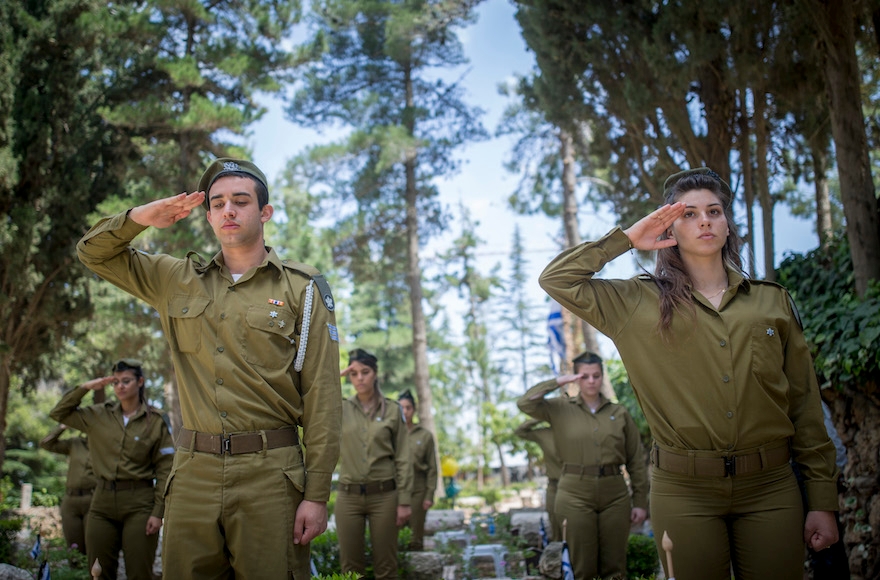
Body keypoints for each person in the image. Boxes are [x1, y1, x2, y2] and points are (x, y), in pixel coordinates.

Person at [538, 167, 840, 580]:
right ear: (669, 227)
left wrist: (821, 500)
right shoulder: (634, 303)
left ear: (727, 224)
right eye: (688, 214)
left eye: (714, 211)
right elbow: (556, 279)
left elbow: (805, 406)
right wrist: (625, 240)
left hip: (770, 487)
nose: (704, 221)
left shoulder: (771, 303)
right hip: (683, 491)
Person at [76, 158, 343, 579]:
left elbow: (323, 397)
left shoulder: (302, 288)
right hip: (192, 475)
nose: (228, 211)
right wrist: (142, 217)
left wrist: (317, 493)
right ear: (208, 215)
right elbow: (93, 252)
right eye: (217, 204)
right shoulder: (175, 278)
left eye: (240, 201)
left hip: (270, 475)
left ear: (265, 212)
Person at [517, 351, 648, 580]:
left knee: (615, 567)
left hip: (614, 493)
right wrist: (559, 381)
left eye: (596, 376)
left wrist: (639, 502)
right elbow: (525, 402)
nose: (591, 381)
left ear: (602, 377)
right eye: (584, 376)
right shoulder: (558, 408)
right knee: (582, 566)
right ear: (576, 377)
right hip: (574, 493)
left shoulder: (619, 413)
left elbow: (636, 460)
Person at [49, 359, 174, 580]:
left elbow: (165, 469)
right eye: (115, 382)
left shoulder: (155, 421)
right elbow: (59, 413)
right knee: (98, 572)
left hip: (139, 503)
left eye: (126, 381)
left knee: (138, 573)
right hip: (101, 503)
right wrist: (86, 388)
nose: (120, 386)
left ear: (140, 382)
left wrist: (158, 512)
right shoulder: (98, 415)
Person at [337, 349, 412, 579]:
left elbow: (403, 456)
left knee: (386, 567)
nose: (359, 378)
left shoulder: (392, 409)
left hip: (384, 497)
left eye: (365, 372)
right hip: (348, 497)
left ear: (375, 374)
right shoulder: (340, 408)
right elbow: (312, 395)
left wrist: (405, 501)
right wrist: (335, 375)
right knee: (350, 569)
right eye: (354, 373)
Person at [39, 424, 97, 555]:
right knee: (73, 547)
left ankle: (92, 574)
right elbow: (46, 444)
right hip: (71, 499)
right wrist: (62, 427)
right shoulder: (75, 443)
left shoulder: (105, 445)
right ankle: (75, 574)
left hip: (93, 499)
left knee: (93, 546)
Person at [397, 389, 438, 551]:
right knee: (394, 538)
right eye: (401, 408)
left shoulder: (425, 436)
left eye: (408, 408)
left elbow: (432, 468)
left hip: (418, 492)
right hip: (395, 492)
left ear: (413, 410)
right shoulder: (390, 434)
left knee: (415, 538)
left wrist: (429, 495)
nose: (405, 411)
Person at [514, 418, 563, 542]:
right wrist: (539, 417)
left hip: (579, 484)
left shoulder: (579, 430)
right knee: (555, 524)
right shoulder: (545, 433)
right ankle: (559, 557)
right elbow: (520, 432)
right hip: (555, 485)